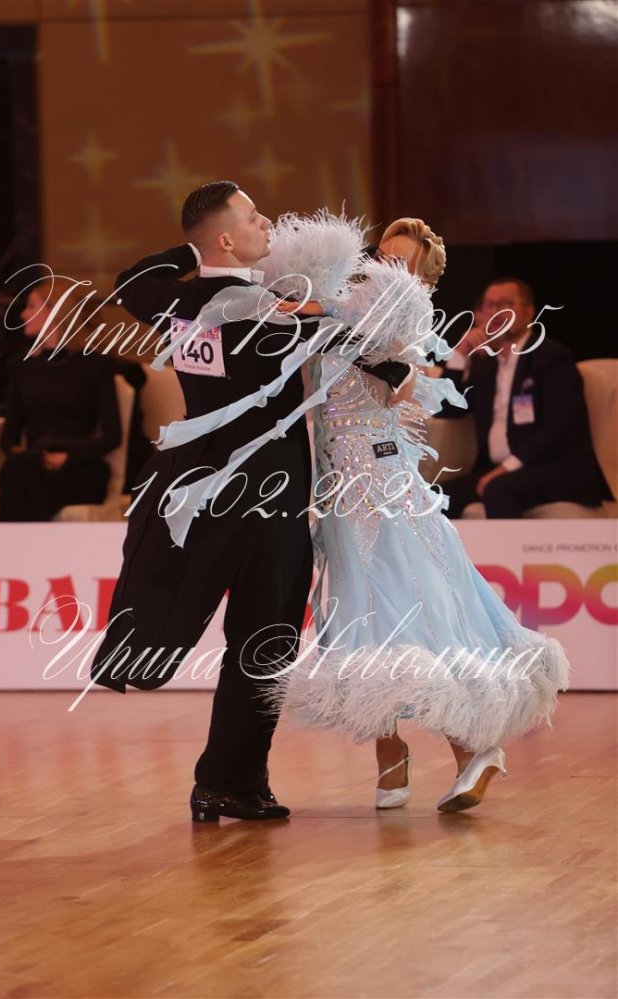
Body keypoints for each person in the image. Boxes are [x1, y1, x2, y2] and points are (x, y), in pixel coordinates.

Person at [90, 183, 408, 823]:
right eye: (254, 217)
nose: (269, 224)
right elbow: (346, 339)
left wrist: (198, 250)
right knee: (266, 639)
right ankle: (228, 781)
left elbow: (132, 279)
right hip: (266, 494)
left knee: (213, 618)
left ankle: (230, 780)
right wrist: (398, 370)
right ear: (226, 238)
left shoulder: (172, 298)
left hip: (198, 486)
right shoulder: (267, 306)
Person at [265, 216, 570, 814]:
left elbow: (399, 384)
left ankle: (472, 749)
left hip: (382, 484)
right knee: (359, 615)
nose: (382, 268)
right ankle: (390, 754)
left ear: (420, 283)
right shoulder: (340, 314)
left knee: (410, 611)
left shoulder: (400, 321)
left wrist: (325, 316)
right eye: (380, 255)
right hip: (338, 487)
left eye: (399, 263)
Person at [440, 277, 612, 518]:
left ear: (529, 312)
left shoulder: (551, 357)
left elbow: (560, 426)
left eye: (505, 304)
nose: (495, 312)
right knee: (435, 496)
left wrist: (506, 468)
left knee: (499, 489)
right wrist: (460, 354)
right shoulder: (485, 367)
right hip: (501, 471)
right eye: (489, 305)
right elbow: (447, 409)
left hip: (555, 468)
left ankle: (504, 545)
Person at [0, 282, 121, 521]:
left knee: (19, 476)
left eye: (31, 306)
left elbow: (112, 435)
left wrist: (67, 458)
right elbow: (8, 436)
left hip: (78, 467)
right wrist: (20, 454)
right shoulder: (21, 368)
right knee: (19, 470)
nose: (23, 315)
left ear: (54, 311)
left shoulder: (95, 366)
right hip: (34, 463)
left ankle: (12, 543)